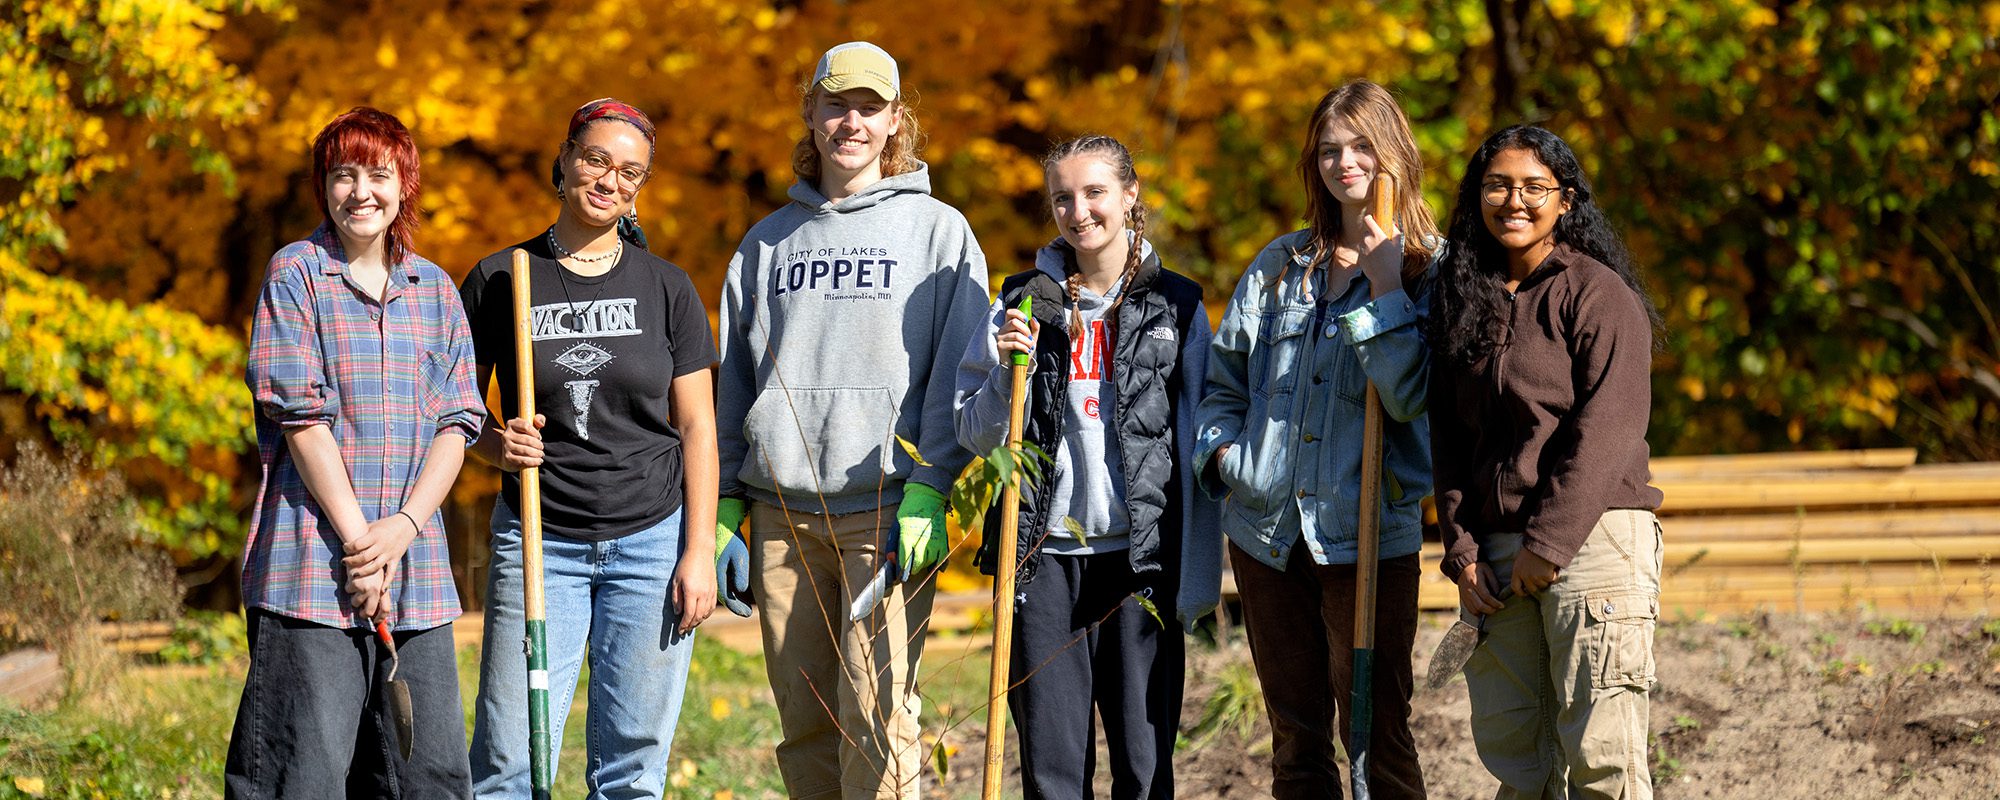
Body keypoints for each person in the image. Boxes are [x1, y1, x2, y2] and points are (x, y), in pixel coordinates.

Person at [714, 41, 990, 800]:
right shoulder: (767, 242)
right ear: (811, 111)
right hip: (781, 520)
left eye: (870, 108)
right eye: (836, 104)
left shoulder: (938, 231)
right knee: (802, 722)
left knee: (877, 718)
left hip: (887, 513)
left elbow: (959, 372)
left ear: (896, 119)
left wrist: (932, 487)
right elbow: (735, 378)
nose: (851, 122)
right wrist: (727, 508)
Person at [459, 98, 719, 798]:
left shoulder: (667, 288)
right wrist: (496, 444)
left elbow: (697, 426)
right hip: (541, 539)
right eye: (597, 159)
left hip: (652, 538)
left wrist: (698, 552)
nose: (610, 180)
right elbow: (452, 411)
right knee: (511, 760)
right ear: (565, 159)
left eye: (630, 172)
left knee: (633, 767)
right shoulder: (500, 278)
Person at [1192, 80, 1441, 799]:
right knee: (1296, 737)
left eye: (1362, 145)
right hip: (1268, 533)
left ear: (1393, 153)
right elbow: (1223, 384)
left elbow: (1411, 397)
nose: (1345, 162)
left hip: (1367, 537)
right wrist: (1228, 459)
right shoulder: (1280, 265)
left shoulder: (1432, 269)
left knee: (1377, 735)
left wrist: (1386, 284)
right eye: (1330, 149)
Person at [952, 134, 1217, 798]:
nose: (1079, 211)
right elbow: (979, 434)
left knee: (1145, 762)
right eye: (1062, 198)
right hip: (1042, 562)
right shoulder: (1022, 299)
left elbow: (1197, 446)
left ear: (1130, 196)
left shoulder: (1178, 306)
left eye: (1095, 192)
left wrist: (1198, 576)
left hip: (1139, 563)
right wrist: (1005, 370)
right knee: (1052, 769)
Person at [231, 106, 482, 798]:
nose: (361, 192)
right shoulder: (297, 276)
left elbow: (458, 423)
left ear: (405, 185)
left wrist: (399, 531)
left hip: (417, 577)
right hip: (311, 569)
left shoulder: (434, 289)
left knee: (426, 777)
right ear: (324, 185)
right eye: (343, 175)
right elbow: (300, 418)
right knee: (300, 776)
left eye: (378, 174)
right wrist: (359, 545)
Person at [1430, 124, 1665, 799]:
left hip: (1594, 545)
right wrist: (1464, 551)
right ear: (1477, 195)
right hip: (1498, 560)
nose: (1515, 200)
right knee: (1519, 763)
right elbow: (1447, 438)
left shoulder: (1597, 295)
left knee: (1602, 759)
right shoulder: (1461, 297)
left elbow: (1609, 429)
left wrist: (1551, 543)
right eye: (1499, 184)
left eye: (1535, 187)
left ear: (1566, 202)